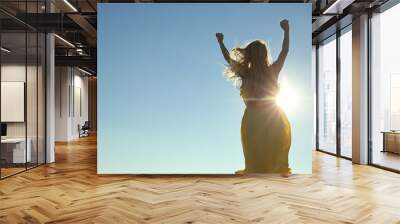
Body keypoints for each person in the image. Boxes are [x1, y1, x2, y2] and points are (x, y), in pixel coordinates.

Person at [216, 20, 291, 177]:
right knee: (270, 156)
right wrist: (286, 30)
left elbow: (227, 58)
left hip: (260, 118)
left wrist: (221, 42)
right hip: (271, 117)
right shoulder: (269, 71)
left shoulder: (248, 73)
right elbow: (284, 52)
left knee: (262, 157)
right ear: (264, 55)